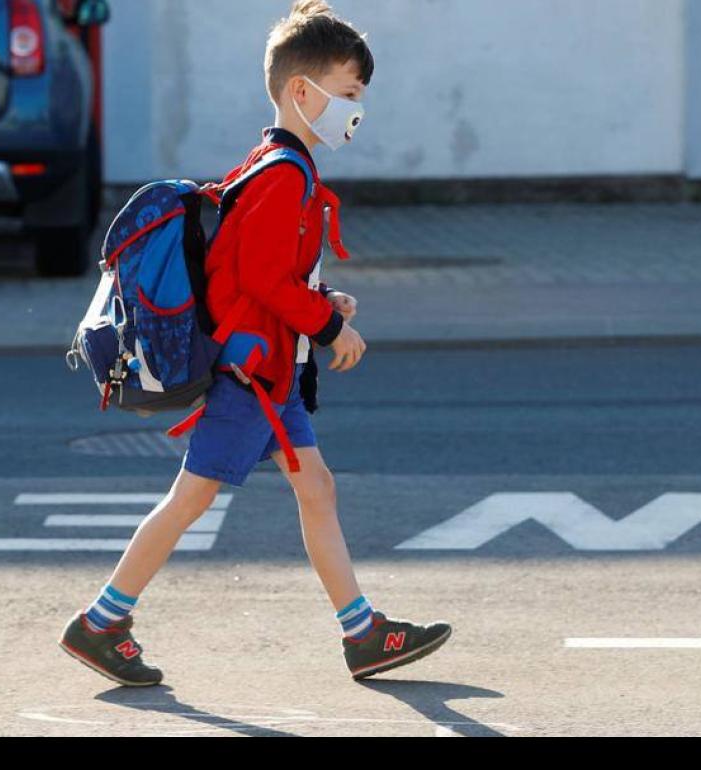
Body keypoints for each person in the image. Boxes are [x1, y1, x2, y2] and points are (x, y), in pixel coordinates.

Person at [58, 0, 451, 686]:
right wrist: (330, 327)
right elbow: (263, 278)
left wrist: (321, 302)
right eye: (350, 93)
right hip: (251, 377)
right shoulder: (283, 174)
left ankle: (362, 633)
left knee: (314, 489)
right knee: (192, 498)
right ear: (303, 91)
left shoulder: (271, 164)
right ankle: (101, 620)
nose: (357, 109)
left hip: (269, 372)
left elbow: (253, 274)